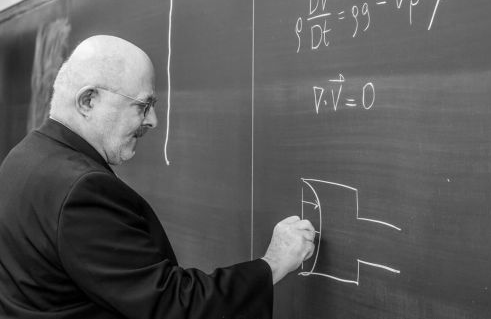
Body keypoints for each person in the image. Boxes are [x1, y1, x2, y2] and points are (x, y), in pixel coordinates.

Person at [0, 35, 316, 319]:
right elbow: (171, 305)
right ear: (88, 101)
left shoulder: (24, 157)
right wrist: (272, 263)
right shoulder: (83, 192)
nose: (152, 121)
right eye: (143, 105)